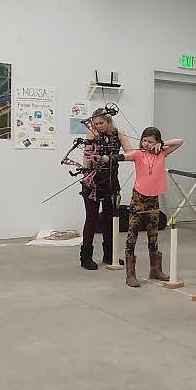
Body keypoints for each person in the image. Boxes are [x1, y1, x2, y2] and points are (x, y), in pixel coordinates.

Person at [111, 127, 183, 287]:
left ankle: (155, 270)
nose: (146, 144)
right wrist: (106, 158)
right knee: (132, 235)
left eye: (150, 141)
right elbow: (123, 156)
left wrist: (162, 145)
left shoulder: (162, 152)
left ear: (157, 142)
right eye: (144, 140)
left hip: (153, 199)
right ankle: (130, 274)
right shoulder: (138, 154)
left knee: (153, 235)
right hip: (139, 198)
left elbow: (180, 142)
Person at [79, 107, 132, 269]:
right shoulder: (92, 134)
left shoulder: (119, 133)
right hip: (93, 181)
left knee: (110, 219)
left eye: (101, 123)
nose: (98, 126)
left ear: (109, 121)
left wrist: (111, 158)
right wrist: (86, 176)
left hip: (111, 181)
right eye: (95, 124)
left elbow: (130, 154)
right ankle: (85, 257)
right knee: (91, 218)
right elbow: (87, 156)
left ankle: (109, 255)